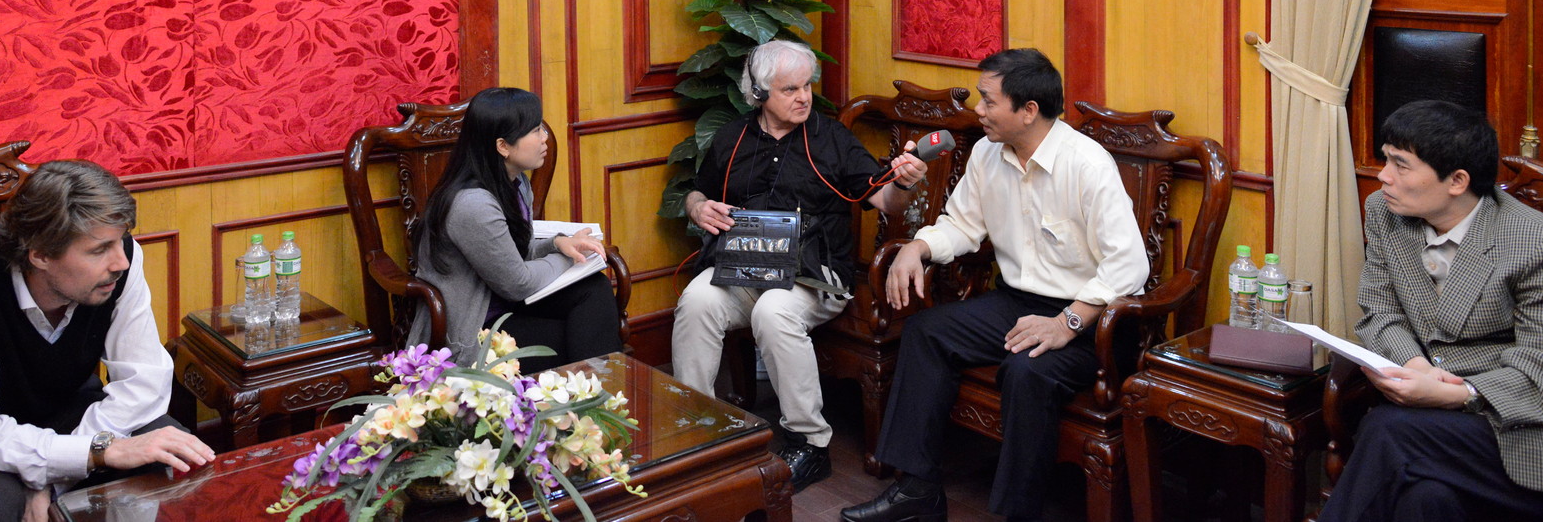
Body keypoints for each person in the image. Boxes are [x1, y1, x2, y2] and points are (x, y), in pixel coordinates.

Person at [844, 48, 1148, 522]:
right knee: (927, 334)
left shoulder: (1087, 164)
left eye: (988, 101)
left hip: (1093, 316)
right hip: (1016, 301)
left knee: (1026, 372)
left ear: (1029, 110)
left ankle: (1018, 513)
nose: (978, 111)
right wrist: (917, 248)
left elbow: (1129, 267)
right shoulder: (988, 153)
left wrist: (1067, 322)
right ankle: (918, 492)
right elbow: (962, 226)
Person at [0, 160, 213, 522]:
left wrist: (66, 466)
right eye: (98, 250)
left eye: (120, 241)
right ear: (41, 254)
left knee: (174, 452)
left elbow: (143, 379)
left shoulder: (119, 262)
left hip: (66, 419)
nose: (121, 261)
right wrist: (93, 454)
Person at [672, 39, 928, 493]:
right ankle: (698, 430)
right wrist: (697, 208)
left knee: (774, 310)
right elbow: (696, 191)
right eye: (789, 89)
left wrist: (905, 183)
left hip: (814, 274)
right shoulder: (731, 138)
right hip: (744, 269)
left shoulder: (831, 139)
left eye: (807, 85)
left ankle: (810, 441)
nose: (803, 97)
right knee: (696, 300)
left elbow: (885, 199)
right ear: (758, 93)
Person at [1318, 100, 1543, 522]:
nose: (1383, 176)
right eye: (1386, 158)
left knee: (1387, 430)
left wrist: (1458, 394)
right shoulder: (1385, 215)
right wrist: (1414, 365)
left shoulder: (1540, 243)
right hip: (1429, 431)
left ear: (1457, 181)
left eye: (1401, 165)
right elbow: (1380, 310)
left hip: (1517, 429)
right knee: (1426, 500)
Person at [410, 86, 620, 373]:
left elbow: (512, 250)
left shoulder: (516, 182)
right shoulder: (472, 204)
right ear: (503, 146)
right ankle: (592, 403)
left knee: (593, 290)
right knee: (581, 340)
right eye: (535, 131)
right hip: (475, 327)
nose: (545, 137)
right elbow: (517, 281)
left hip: (508, 303)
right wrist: (566, 258)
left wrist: (559, 244)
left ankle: (597, 399)